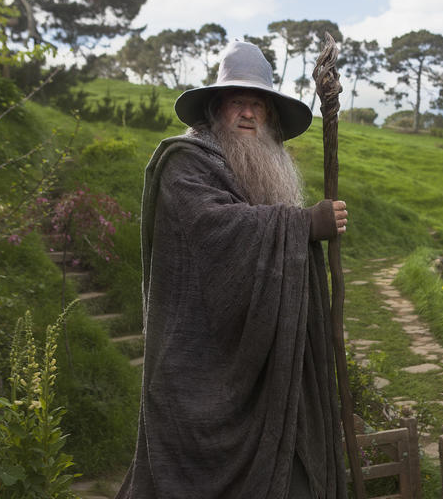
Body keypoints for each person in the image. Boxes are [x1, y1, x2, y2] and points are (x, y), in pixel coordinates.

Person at [116, 40, 348, 499]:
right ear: (216, 109)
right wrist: (304, 223)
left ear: (269, 116)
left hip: (265, 358)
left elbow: (270, 259)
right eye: (237, 101)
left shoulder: (264, 171)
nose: (248, 113)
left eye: (258, 104)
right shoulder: (185, 164)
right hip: (196, 360)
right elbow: (214, 228)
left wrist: (306, 227)